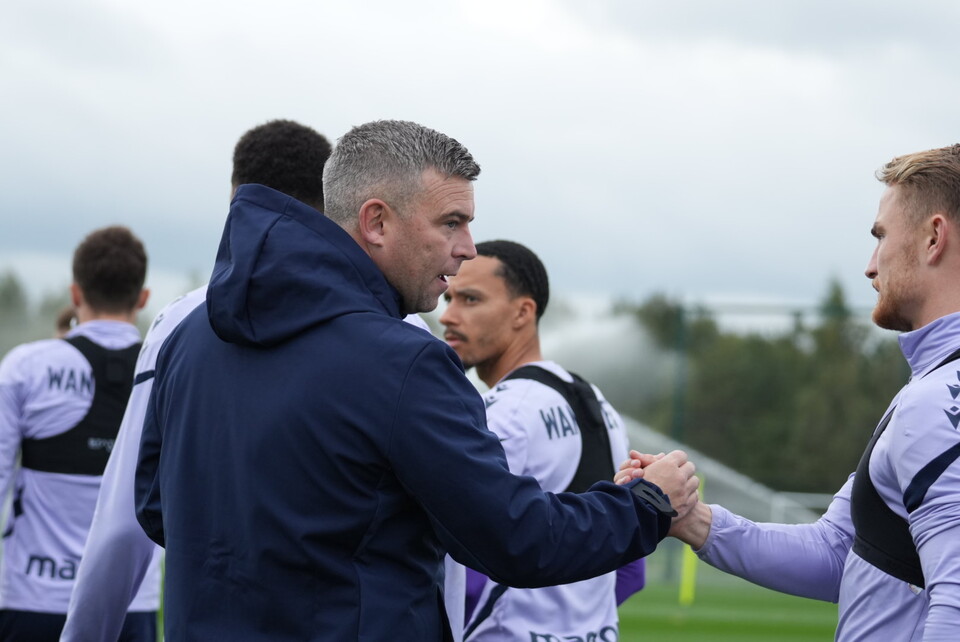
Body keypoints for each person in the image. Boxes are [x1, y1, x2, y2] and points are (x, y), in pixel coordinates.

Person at [134, 119, 699, 641]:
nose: (467, 248)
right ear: (376, 221)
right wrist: (649, 504)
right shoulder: (406, 361)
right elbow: (517, 540)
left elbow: (158, 509)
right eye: (451, 223)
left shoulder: (190, 337)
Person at [618, 143, 960, 640]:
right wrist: (693, 521)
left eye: (880, 236)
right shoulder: (932, 387)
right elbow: (838, 551)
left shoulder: (940, 402)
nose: (870, 266)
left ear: (933, 238)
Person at [59, 119, 333, 642]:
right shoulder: (404, 328)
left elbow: (122, 526)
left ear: (235, 201)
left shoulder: (181, 323)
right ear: (332, 203)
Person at [439, 239, 645, 641]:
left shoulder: (502, 412)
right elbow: (632, 568)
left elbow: (467, 559)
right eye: (448, 297)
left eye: (470, 299)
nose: (448, 315)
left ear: (523, 312)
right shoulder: (598, 404)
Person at [0, 226, 150, 641]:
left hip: (33, 602)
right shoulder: (171, 369)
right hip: (131, 606)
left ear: (76, 294)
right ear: (142, 299)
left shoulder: (24, 367)